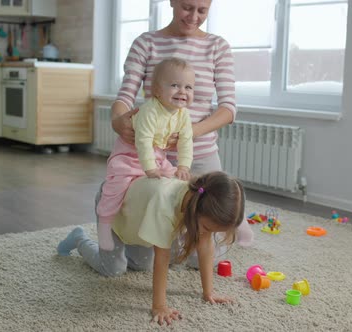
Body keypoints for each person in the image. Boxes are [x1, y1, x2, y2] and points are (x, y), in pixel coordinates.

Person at [110, 0, 254, 249]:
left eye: (202, 10)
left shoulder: (216, 46)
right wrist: (117, 121)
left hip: (200, 155)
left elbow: (228, 109)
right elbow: (124, 97)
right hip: (153, 159)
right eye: (187, 7)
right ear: (172, 2)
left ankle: (238, 224)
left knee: (200, 254)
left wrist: (188, 133)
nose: (194, 16)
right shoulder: (146, 43)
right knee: (155, 242)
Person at [57, 171, 245, 325]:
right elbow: (161, 258)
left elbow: (205, 245)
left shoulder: (196, 202)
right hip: (113, 205)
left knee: (142, 265)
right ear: (196, 210)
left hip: (138, 218)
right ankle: (79, 238)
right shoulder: (164, 205)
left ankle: (125, 245)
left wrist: (208, 292)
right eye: (208, 228)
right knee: (113, 269)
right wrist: (159, 306)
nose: (207, 234)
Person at [96, 58, 196, 251]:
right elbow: (142, 141)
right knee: (118, 185)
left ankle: (179, 226)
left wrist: (184, 166)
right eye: (175, 85)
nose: (182, 91)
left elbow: (186, 141)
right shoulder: (150, 111)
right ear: (157, 91)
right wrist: (149, 169)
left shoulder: (183, 114)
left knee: (178, 182)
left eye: (189, 87)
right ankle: (105, 222)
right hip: (129, 155)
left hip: (157, 156)